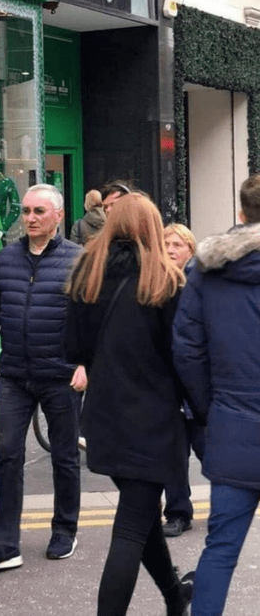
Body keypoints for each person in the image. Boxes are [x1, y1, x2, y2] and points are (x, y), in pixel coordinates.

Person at [64, 194, 193, 616]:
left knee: (141, 517)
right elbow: (183, 358)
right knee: (131, 528)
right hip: (152, 421)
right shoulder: (165, 279)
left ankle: (175, 596)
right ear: (152, 228)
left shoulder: (87, 275)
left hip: (103, 418)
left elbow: (73, 348)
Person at [0, 183, 85, 571]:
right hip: (15, 375)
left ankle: (65, 529)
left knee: (64, 458)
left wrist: (88, 364)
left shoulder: (78, 259)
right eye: (27, 211)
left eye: (39, 212)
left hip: (61, 376)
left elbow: (92, 320)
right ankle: (5, 543)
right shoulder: (6, 259)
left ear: (58, 217)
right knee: (9, 456)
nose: (30, 218)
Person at [172, 173, 260, 616]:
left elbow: (187, 350)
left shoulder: (206, 272)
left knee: (221, 547)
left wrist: (211, 406)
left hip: (233, 422)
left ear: (241, 214)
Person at [161, 222, 202, 538]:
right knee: (173, 457)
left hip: (199, 384)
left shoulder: (202, 284)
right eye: (166, 244)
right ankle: (177, 513)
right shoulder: (156, 283)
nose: (171, 250)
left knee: (211, 451)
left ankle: (236, 504)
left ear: (190, 248)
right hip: (168, 385)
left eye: (177, 245)